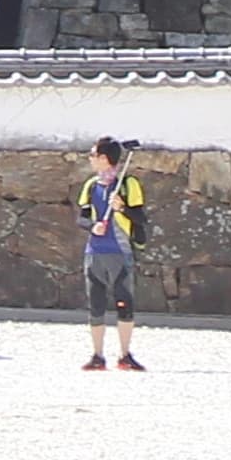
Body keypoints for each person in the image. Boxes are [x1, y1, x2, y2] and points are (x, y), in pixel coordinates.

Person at [79, 137, 150, 373]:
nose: (90, 159)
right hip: (94, 253)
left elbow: (141, 218)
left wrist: (122, 208)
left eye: (92, 155)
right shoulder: (91, 186)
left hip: (120, 252)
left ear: (103, 158)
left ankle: (125, 354)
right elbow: (81, 217)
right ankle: (97, 355)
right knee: (96, 305)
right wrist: (92, 226)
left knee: (124, 303)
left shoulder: (128, 185)